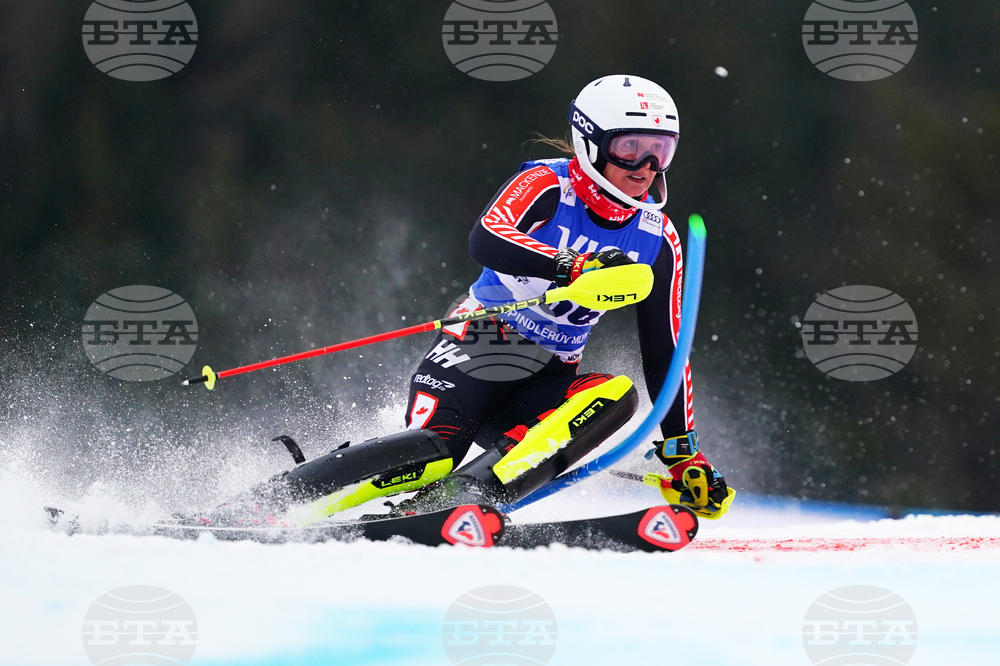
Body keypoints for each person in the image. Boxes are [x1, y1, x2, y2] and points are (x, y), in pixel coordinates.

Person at [205, 75, 734, 527]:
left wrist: (682, 452)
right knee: (436, 451)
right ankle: (263, 505)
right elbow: (488, 237)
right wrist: (571, 266)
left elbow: (665, 348)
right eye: (630, 148)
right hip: (479, 347)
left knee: (615, 396)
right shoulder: (546, 183)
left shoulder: (658, 236)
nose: (646, 166)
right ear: (591, 143)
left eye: (661, 150)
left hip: (548, 377)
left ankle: (461, 500)